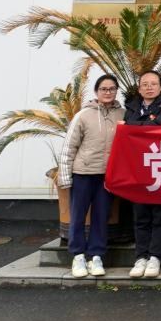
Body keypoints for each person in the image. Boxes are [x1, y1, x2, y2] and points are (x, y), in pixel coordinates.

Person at [58, 74, 124, 279]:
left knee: (101, 216)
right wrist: (65, 176)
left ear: (116, 91)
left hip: (107, 176)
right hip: (83, 174)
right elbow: (69, 147)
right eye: (104, 89)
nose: (108, 92)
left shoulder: (122, 114)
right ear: (96, 92)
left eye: (112, 89)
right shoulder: (83, 115)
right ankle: (78, 255)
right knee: (78, 215)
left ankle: (96, 256)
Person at [124, 70, 161, 279]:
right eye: (145, 84)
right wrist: (143, 124)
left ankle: (155, 256)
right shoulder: (131, 106)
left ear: (160, 87)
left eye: (153, 84)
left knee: (159, 214)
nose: (149, 87)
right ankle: (141, 257)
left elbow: (160, 125)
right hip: (138, 166)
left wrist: (134, 125)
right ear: (139, 89)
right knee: (140, 215)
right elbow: (132, 127)